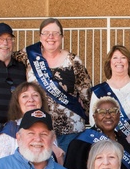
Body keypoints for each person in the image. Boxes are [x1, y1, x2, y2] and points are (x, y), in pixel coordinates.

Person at [26, 18, 93, 152]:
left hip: (71, 129)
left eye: (55, 33)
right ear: (40, 37)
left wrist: (84, 113)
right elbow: (5, 56)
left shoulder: (73, 60)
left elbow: (87, 94)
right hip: (40, 129)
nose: (51, 37)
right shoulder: (29, 57)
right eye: (46, 33)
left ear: (62, 37)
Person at [64, 96, 130, 169]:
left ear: (119, 115)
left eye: (113, 111)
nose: (108, 116)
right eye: (102, 112)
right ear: (94, 117)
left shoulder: (122, 141)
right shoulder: (81, 143)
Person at [89, 45, 130, 146]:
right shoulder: (99, 90)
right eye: (115, 57)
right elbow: (93, 119)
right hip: (108, 144)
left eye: (123, 57)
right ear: (110, 62)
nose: (119, 61)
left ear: (129, 62)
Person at [0, 82, 64, 163]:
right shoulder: (10, 129)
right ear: (17, 103)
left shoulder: (48, 127)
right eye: (25, 96)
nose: (31, 99)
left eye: (35, 95)